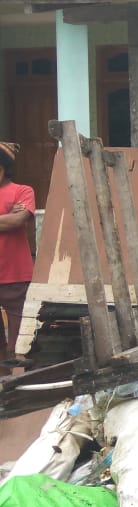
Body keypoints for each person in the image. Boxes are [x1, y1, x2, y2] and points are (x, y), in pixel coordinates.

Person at [0, 141, 34, 369]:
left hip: (15, 273)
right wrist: (6, 218)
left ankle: (18, 384)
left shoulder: (23, 190)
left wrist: (12, 218)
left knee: (19, 341)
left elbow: (18, 220)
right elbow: (9, 220)